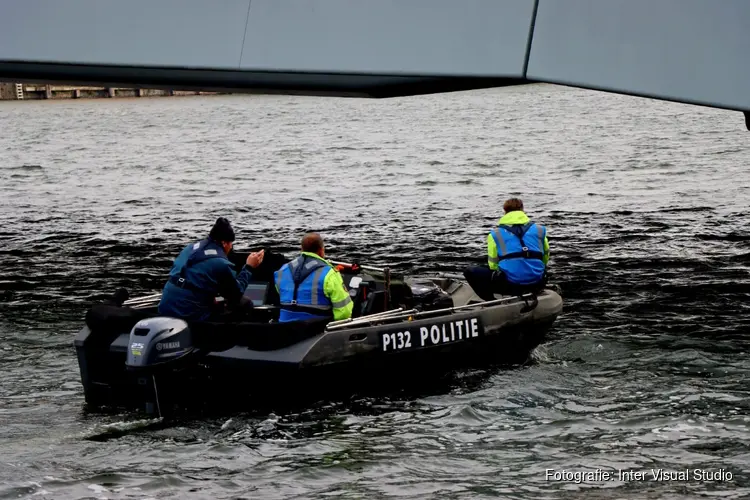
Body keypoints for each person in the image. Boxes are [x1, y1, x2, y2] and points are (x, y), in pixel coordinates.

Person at [158, 217, 265, 322]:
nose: (231, 247)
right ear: (224, 243)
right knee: (245, 304)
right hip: (190, 316)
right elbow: (236, 294)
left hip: (165, 309)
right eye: (231, 243)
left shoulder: (189, 248)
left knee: (216, 300)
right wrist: (249, 267)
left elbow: (194, 279)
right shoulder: (220, 263)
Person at [464, 198, 549, 300]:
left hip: (511, 285)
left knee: (470, 271)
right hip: (538, 281)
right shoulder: (540, 230)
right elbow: (545, 257)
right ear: (522, 209)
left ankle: (491, 301)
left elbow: (493, 264)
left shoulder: (495, 234)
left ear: (504, 211)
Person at [274, 232, 353, 323]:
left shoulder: (282, 271)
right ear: (321, 250)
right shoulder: (330, 273)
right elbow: (344, 312)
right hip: (316, 331)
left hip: (284, 330)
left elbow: (281, 295)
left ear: (302, 249)